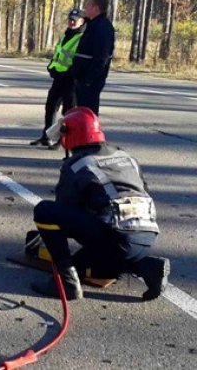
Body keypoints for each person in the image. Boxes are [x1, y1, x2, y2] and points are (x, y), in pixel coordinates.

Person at [31, 107, 169, 301]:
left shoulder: (77, 164)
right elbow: (143, 190)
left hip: (116, 237)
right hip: (146, 235)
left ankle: (65, 283)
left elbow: (64, 209)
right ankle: (149, 267)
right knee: (96, 264)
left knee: (45, 211)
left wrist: (53, 240)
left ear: (70, 135)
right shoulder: (126, 157)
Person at [30, 9, 85, 148]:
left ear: (82, 21)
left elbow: (80, 61)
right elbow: (58, 54)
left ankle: (62, 141)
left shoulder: (82, 38)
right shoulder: (65, 35)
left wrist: (70, 73)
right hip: (59, 78)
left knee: (68, 112)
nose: (71, 22)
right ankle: (46, 136)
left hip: (71, 80)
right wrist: (51, 67)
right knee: (50, 106)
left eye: (75, 20)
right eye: (70, 19)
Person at [72, 0, 115, 115]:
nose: (85, 8)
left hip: (90, 81)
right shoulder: (93, 24)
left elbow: (102, 57)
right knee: (81, 113)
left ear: (95, 8)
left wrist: (89, 80)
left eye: (88, 5)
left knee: (88, 114)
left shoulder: (103, 27)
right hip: (82, 78)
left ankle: (89, 134)